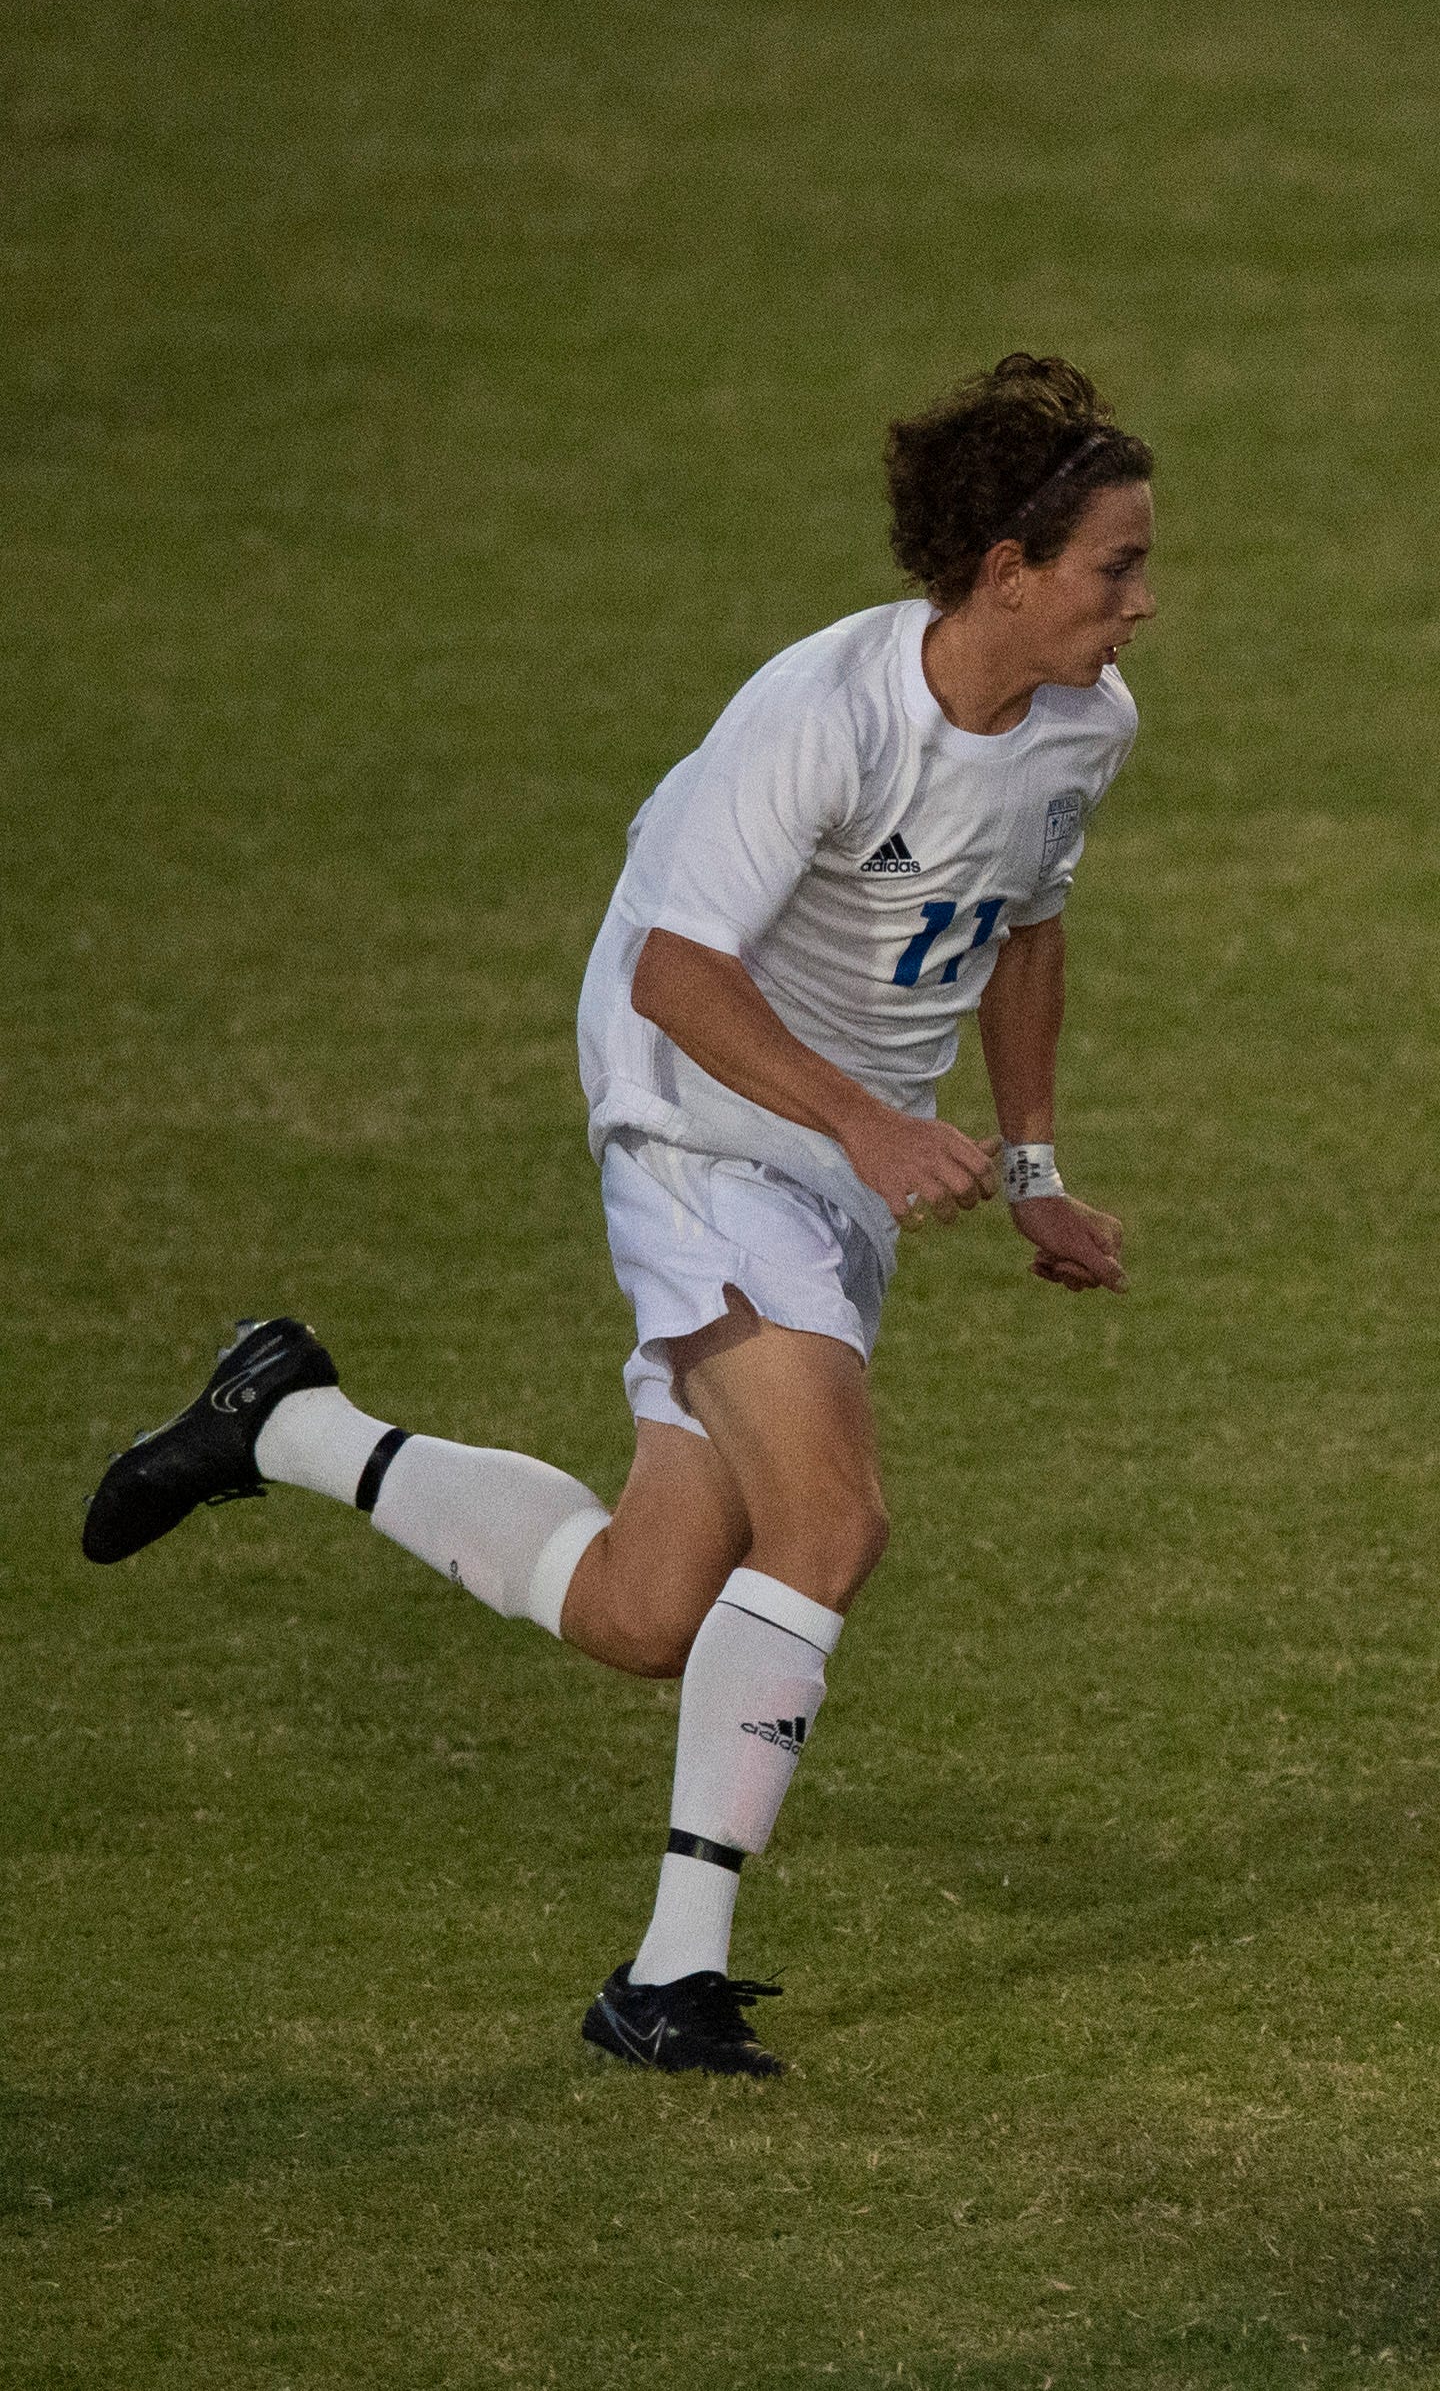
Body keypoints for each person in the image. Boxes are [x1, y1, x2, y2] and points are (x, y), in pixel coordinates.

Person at [81, 354, 1154, 2076]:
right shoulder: (823, 713)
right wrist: (877, 1125)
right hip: (699, 1119)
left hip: (833, 1166)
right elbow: (673, 972)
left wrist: (1027, 1166)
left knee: (651, 1612)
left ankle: (285, 1420)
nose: (1144, 601)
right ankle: (668, 1978)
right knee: (834, 1522)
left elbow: (1023, 930)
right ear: (1007, 569)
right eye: (1115, 566)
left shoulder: (1083, 730)